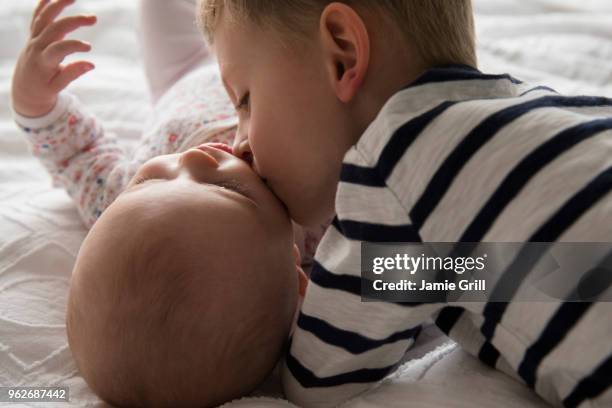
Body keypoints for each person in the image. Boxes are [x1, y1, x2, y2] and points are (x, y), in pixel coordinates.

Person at [197, 0, 612, 407]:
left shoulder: (390, 162)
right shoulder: (539, 108)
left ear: (343, 54)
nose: (239, 142)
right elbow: (543, 271)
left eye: (246, 100)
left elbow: (319, 380)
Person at [10, 0, 319, 406]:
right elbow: (423, 273)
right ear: (296, 273)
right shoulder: (324, 215)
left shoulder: (119, 203)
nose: (192, 158)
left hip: (183, 74)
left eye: (149, 178)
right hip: (254, 60)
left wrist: (35, 104)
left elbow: (76, 156)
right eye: (230, 190)